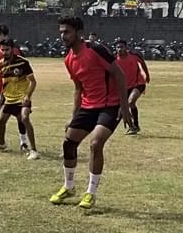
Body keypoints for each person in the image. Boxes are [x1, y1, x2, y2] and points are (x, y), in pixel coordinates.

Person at [49, 16, 131, 210]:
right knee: (69, 142)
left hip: (109, 104)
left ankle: (90, 193)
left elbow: (119, 74)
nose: (63, 36)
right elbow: (78, 88)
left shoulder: (95, 50)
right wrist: (73, 116)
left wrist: (125, 106)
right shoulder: (68, 59)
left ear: (79, 33)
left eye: (67, 32)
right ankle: (69, 187)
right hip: (88, 106)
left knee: (96, 143)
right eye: (61, 32)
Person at [0, 24, 29, 152]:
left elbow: (23, 68)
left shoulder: (15, 51)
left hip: (14, 89)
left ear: (5, 35)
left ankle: (24, 142)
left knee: (20, 116)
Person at [0, 39, 40, 160]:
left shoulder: (22, 62)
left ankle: (33, 150)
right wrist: (1, 97)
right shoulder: (1, 63)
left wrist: (27, 96)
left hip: (21, 98)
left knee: (24, 118)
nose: (4, 52)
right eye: (2, 50)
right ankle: (2, 144)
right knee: (1, 121)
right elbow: (5, 82)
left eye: (7, 49)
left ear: (12, 49)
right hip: (9, 99)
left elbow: (33, 82)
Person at [115, 40, 151, 135]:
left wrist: (147, 75)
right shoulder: (115, 60)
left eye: (122, 47)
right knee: (126, 106)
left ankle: (133, 125)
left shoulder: (134, 57)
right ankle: (134, 126)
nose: (120, 49)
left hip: (138, 83)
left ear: (126, 48)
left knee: (130, 102)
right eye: (118, 47)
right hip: (125, 87)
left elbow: (143, 63)